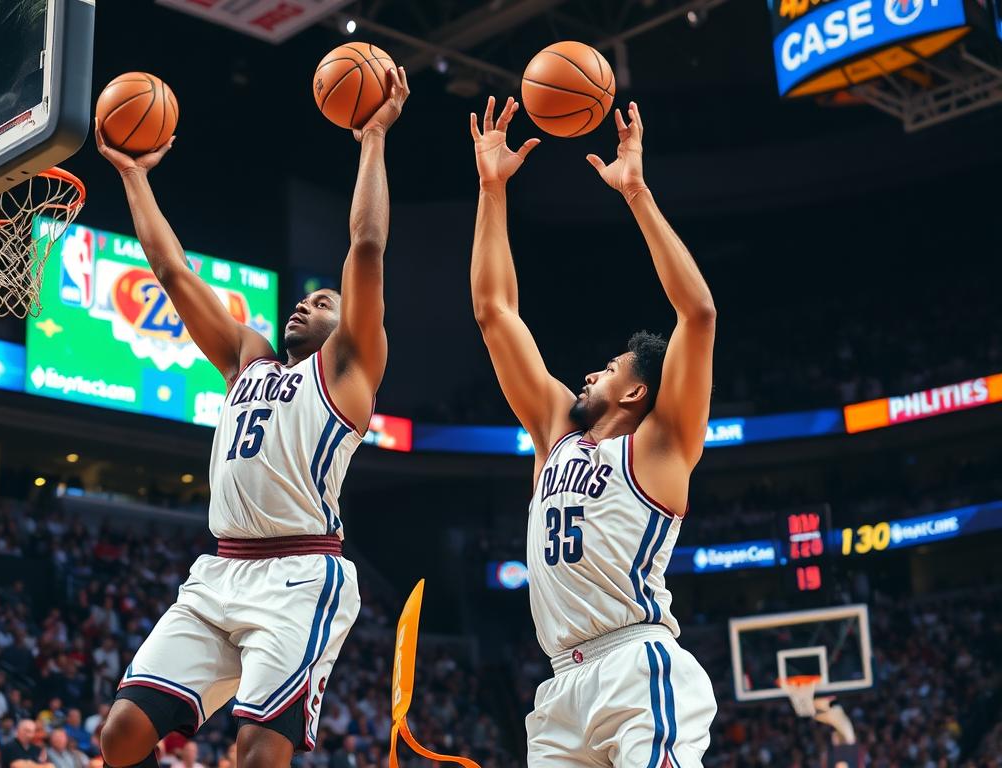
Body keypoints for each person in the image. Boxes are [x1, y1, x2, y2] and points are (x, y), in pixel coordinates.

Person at [94, 63, 409, 768]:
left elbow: (366, 246)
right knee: (119, 738)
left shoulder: (349, 373)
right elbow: (173, 273)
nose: (306, 304)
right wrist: (133, 175)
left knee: (258, 755)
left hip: (301, 575)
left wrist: (373, 140)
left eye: (323, 303)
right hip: (220, 570)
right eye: (304, 299)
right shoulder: (248, 359)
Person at [468, 96, 718, 766]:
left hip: (637, 666)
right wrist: (493, 190)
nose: (588, 373)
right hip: (559, 689)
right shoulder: (556, 433)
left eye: (609, 368)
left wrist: (635, 191)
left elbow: (697, 313)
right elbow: (495, 311)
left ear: (637, 390)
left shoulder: (661, 447)